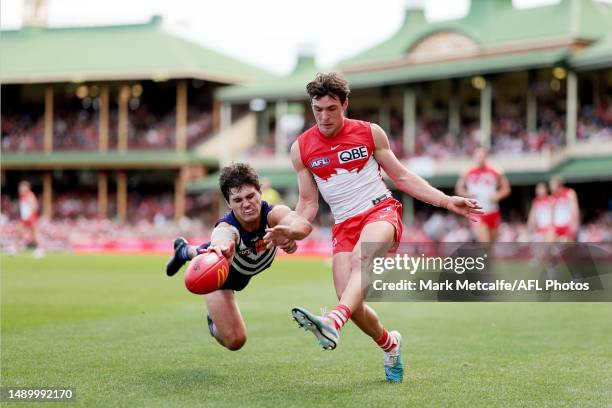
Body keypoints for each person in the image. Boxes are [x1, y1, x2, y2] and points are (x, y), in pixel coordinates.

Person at [263, 72, 482, 383]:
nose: (324, 117)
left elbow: (402, 177)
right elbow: (308, 204)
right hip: (343, 226)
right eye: (317, 109)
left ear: (345, 105)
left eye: (331, 109)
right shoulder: (301, 148)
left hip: (380, 212)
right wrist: (292, 231)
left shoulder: (370, 133)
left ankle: (332, 322)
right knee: (351, 302)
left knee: (360, 261)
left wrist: (446, 201)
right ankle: (390, 344)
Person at [166, 163, 312, 351]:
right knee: (235, 341)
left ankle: (183, 250)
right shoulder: (227, 228)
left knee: (210, 250)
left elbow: (303, 225)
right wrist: (222, 247)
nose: (246, 204)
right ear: (229, 203)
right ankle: (214, 321)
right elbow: (221, 239)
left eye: (250, 196)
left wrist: (290, 232)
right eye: (237, 200)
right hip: (222, 276)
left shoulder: (275, 214)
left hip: (245, 271)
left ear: (260, 192)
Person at [455, 147, 511, 243]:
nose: (480, 159)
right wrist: (468, 194)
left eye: (483, 156)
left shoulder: (495, 171)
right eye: (478, 157)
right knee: (485, 243)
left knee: (491, 244)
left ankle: (487, 258)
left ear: (486, 157)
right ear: (474, 157)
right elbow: (459, 189)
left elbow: (506, 188)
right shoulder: (468, 172)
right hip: (477, 211)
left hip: (492, 210)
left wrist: (498, 195)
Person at [18, 180, 44, 258]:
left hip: (30, 217)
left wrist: (29, 216)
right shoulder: (22, 196)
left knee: (35, 234)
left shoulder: (30, 195)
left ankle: (40, 249)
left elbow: (34, 206)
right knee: (19, 232)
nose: (20, 189)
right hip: (24, 217)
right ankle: (16, 248)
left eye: (22, 187)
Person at [549, 176, 580, 242]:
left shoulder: (570, 193)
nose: (550, 187)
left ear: (559, 185)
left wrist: (574, 223)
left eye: (552, 185)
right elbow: (552, 212)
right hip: (557, 225)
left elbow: (575, 209)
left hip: (568, 224)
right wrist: (551, 225)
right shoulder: (552, 197)